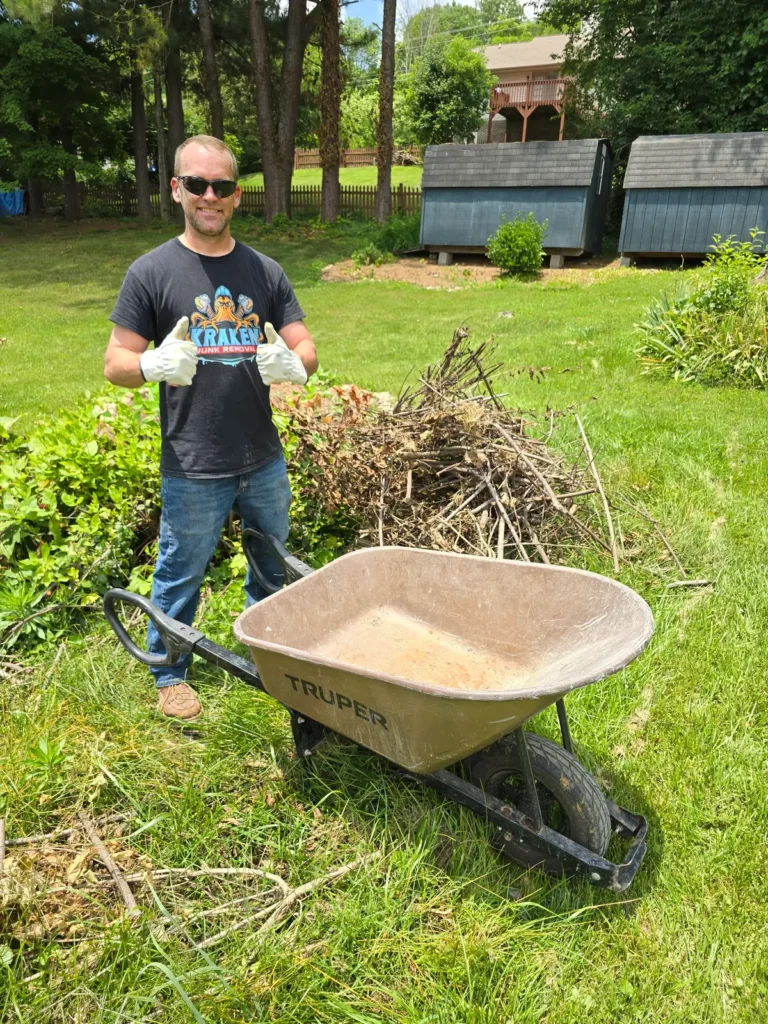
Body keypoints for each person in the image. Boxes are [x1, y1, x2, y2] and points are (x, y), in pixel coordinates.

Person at [105, 134, 318, 721]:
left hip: (262, 456)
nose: (209, 196)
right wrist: (148, 365)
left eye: (221, 186)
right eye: (196, 184)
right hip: (193, 460)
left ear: (236, 196)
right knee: (180, 571)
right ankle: (169, 673)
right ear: (176, 189)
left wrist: (295, 365)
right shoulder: (150, 272)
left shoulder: (264, 271)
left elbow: (304, 344)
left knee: (272, 563)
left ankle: (267, 654)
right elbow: (114, 363)